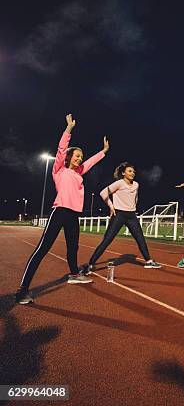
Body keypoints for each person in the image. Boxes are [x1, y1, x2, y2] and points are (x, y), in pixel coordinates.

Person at [16, 114, 109, 304]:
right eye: (77, 156)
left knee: (73, 248)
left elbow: (90, 162)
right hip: (59, 212)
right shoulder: (59, 170)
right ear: (68, 157)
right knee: (43, 248)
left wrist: (104, 151)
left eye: (80, 157)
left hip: (74, 215)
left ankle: (74, 274)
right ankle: (22, 289)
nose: (80, 159)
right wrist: (68, 130)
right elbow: (61, 150)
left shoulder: (79, 172)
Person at [80, 162, 162, 275]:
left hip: (131, 215)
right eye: (129, 171)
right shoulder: (119, 183)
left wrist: (133, 207)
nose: (132, 173)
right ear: (123, 173)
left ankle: (148, 261)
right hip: (119, 215)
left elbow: (135, 198)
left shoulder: (136, 185)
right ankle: (90, 264)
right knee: (107, 240)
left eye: (133, 171)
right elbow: (103, 193)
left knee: (140, 239)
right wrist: (111, 206)